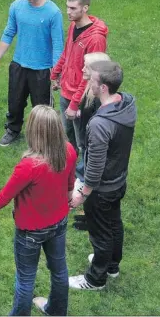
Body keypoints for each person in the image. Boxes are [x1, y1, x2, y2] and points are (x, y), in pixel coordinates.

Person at [0, 105, 77, 316]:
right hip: (59, 222)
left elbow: (3, 197)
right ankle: (57, 311)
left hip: (30, 231)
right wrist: (69, 200)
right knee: (59, 270)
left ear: (34, 132)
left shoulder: (29, 166)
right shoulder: (68, 151)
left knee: (25, 280)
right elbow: (70, 183)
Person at [69, 61, 137, 290]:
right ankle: (112, 266)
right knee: (114, 224)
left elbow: (95, 166)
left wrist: (83, 193)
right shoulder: (127, 103)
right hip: (119, 181)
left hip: (103, 189)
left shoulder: (99, 124)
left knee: (101, 235)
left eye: (92, 80)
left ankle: (95, 279)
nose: (88, 82)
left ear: (104, 88)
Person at [0, 0, 64, 147]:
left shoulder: (53, 12)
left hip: (42, 69)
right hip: (18, 65)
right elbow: (9, 32)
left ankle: (42, 138)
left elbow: (58, 45)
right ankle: (12, 130)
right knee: (14, 102)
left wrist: (56, 74)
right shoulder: (16, 6)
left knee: (41, 108)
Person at [50, 0, 108, 160]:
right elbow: (66, 54)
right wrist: (55, 74)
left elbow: (90, 77)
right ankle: (70, 166)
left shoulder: (96, 38)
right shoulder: (73, 25)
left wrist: (74, 105)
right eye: (67, 7)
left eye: (73, 8)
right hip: (66, 91)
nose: (68, 12)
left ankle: (85, 175)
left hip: (82, 97)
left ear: (85, 8)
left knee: (83, 140)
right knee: (67, 135)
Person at [71, 52, 111, 231]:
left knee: (93, 183)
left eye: (86, 66)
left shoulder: (98, 99)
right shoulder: (90, 88)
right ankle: (88, 215)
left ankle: (91, 219)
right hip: (87, 143)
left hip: (93, 146)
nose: (82, 68)